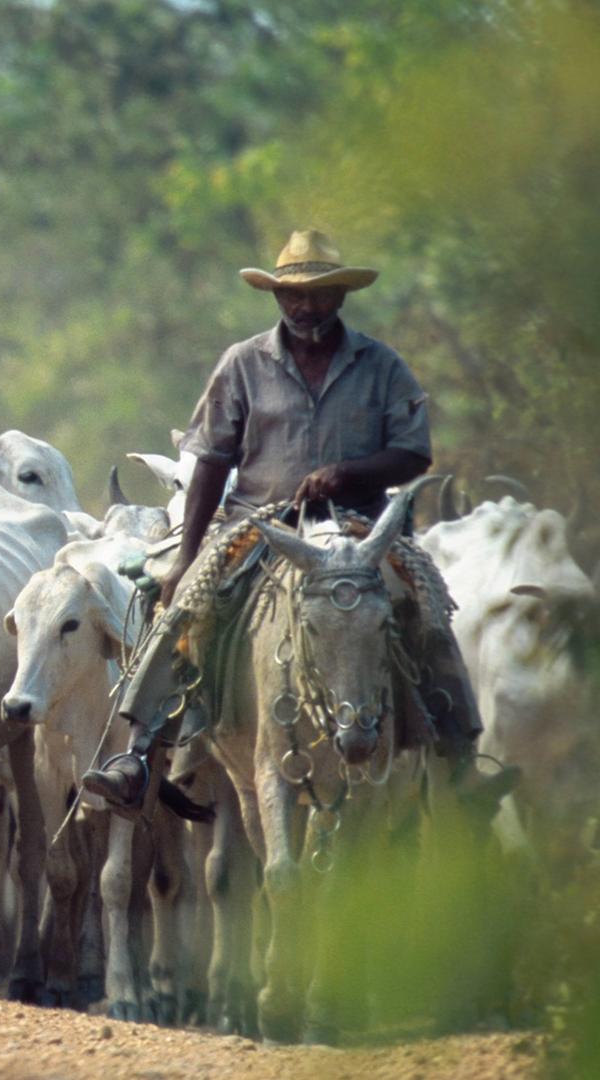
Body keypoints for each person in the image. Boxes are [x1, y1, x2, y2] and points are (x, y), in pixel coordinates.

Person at [80, 229, 495, 811]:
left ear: (341, 297)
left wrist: (345, 473)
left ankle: (458, 754)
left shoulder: (381, 365)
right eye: (293, 295)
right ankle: (142, 752)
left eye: (319, 295)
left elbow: (413, 453)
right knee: (178, 611)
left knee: (425, 602)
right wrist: (186, 556)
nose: (305, 307)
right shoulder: (242, 364)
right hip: (259, 526)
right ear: (276, 298)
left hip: (359, 531)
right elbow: (209, 464)